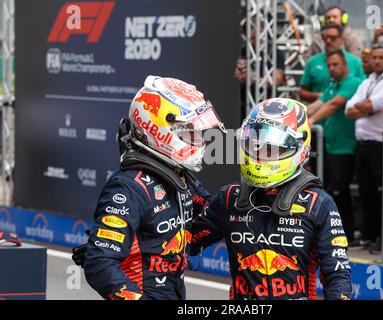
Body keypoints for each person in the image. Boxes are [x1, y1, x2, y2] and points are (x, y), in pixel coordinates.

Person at [72, 75, 224, 300]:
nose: (200, 141)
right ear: (158, 129)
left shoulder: (179, 176)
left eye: (199, 134)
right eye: (191, 133)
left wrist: (237, 203)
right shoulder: (127, 188)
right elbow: (100, 263)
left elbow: (207, 220)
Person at [191, 97, 352, 300]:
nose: (260, 156)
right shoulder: (230, 198)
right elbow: (185, 240)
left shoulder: (318, 203)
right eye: (255, 146)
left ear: (299, 148)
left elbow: (337, 274)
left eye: (272, 149)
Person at [345, 43, 383, 250]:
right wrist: (364, 107)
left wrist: (364, 107)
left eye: (381, 57)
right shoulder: (367, 81)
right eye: (374, 57)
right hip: (362, 143)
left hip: (381, 144)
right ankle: (368, 234)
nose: (376, 61)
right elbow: (349, 109)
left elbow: (371, 106)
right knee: (365, 191)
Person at [307, 49, 363, 242]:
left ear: (345, 64)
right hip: (331, 147)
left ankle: (347, 233)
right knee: (331, 190)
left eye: (335, 64)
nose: (331, 68)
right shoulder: (333, 86)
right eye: (329, 65)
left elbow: (333, 105)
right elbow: (318, 103)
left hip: (346, 147)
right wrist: (295, 117)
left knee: (339, 191)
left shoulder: (353, 83)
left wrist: (310, 120)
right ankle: (335, 233)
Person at [300, 23, 365, 104]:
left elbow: (363, 89)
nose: (328, 41)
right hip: (319, 112)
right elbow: (302, 92)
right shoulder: (313, 62)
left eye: (333, 38)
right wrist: (317, 96)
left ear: (342, 40)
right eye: (325, 38)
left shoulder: (355, 61)